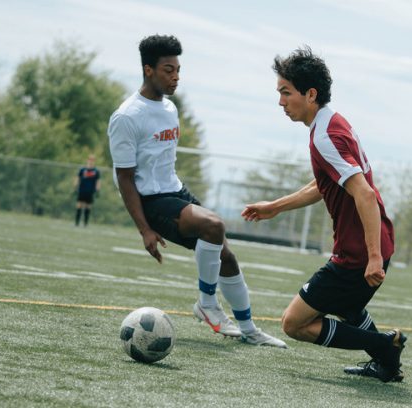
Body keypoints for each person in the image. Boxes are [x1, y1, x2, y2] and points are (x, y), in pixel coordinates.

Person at [107, 34, 286, 348]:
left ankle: (249, 330)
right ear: (148, 70)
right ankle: (206, 303)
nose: (175, 76)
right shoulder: (126, 116)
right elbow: (123, 177)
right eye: (167, 70)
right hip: (151, 201)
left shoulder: (169, 108)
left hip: (175, 192)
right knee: (214, 225)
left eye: (178, 69)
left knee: (227, 258)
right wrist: (144, 229)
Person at [242, 47, 405, 382]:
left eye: (286, 93)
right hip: (369, 246)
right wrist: (275, 207)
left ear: (310, 94)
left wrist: (373, 257)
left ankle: (386, 346)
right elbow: (325, 186)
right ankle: (387, 363)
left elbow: (364, 193)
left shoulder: (325, 136)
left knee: (293, 323)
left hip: (358, 254)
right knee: (347, 307)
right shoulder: (332, 123)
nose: (281, 102)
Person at [74, 154, 101, 227]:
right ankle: (76, 223)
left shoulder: (96, 171)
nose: (91, 161)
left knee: (88, 207)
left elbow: (98, 181)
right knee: (79, 205)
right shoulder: (82, 170)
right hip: (82, 190)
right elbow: (77, 178)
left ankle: (85, 224)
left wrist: (98, 190)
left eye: (93, 160)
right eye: (90, 159)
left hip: (90, 191)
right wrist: (75, 187)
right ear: (87, 160)